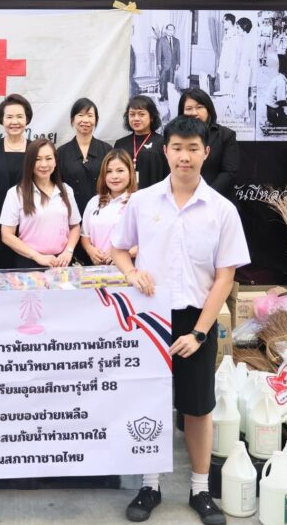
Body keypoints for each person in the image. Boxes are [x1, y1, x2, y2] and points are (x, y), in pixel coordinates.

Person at [110, 115, 249, 525]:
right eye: (176, 148)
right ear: (166, 150)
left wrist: (200, 332)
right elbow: (118, 248)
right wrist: (131, 273)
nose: (184, 156)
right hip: (150, 317)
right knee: (149, 399)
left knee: (198, 407)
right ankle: (149, 485)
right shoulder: (143, 201)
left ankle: (200, 490)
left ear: (206, 152)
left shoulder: (222, 210)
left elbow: (225, 276)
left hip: (195, 318)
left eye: (192, 148)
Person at [0, 138, 82, 269]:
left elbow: (75, 226)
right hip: (29, 263)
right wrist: (37, 256)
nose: (44, 164)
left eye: (48, 158)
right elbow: (7, 235)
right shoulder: (16, 193)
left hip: (61, 263)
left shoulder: (66, 190)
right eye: (37, 159)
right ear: (29, 162)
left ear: (55, 161)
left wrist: (68, 251)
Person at [0, 93, 32, 269]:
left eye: (19, 116)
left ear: (27, 119)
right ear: (2, 120)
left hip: (28, 225)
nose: (14, 121)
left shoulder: (35, 149)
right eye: (9, 117)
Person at [178, 88, 239, 201]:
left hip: (217, 200)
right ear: (182, 112)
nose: (194, 113)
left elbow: (229, 172)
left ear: (208, 109)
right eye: (189, 108)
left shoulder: (226, 135)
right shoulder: (176, 136)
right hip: (183, 199)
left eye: (199, 107)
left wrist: (206, 194)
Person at [56, 97, 113, 216]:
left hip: (102, 212)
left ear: (96, 120)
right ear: (72, 120)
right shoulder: (61, 152)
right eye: (80, 115)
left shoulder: (107, 150)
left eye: (90, 115)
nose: (85, 120)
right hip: (71, 213)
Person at [80, 149, 138, 265]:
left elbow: (149, 241)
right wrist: (90, 250)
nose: (114, 176)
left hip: (129, 269)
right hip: (98, 271)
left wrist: (121, 254)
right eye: (109, 171)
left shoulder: (138, 201)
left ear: (130, 173)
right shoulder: (94, 202)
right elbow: (85, 236)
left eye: (120, 170)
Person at [115, 95, 170, 190]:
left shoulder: (162, 142)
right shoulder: (120, 144)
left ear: (151, 117)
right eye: (132, 114)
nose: (136, 118)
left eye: (141, 114)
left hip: (154, 195)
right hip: (126, 195)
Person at [156, 23, 180, 102]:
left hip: (173, 65)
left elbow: (178, 53)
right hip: (164, 64)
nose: (171, 31)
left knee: (171, 81)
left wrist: (178, 63)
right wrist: (159, 64)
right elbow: (159, 52)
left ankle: (169, 95)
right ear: (166, 31)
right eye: (169, 29)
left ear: (174, 31)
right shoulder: (161, 40)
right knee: (163, 81)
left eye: (172, 30)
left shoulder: (177, 41)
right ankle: (162, 96)